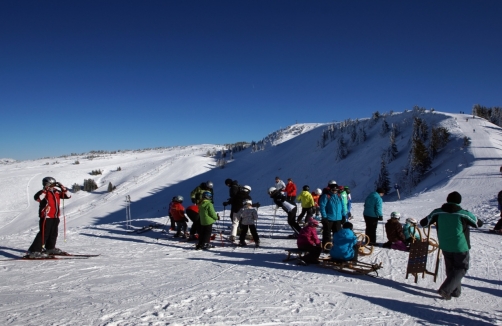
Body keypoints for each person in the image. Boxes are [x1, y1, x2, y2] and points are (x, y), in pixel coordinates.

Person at [420, 191, 483, 300]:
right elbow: (478, 223)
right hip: (460, 245)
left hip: (445, 245)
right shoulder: (463, 213)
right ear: (459, 201)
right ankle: (446, 289)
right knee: (462, 267)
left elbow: (423, 223)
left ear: (447, 200)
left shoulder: (437, 212)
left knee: (451, 268)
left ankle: (455, 292)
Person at [26, 177, 71, 258]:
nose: (54, 186)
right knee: (44, 233)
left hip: (55, 215)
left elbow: (68, 196)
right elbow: (38, 199)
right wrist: (45, 190)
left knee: (53, 233)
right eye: (52, 184)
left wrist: (62, 187)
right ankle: (34, 251)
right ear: (47, 184)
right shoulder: (42, 192)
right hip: (46, 216)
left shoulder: (56, 192)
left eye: (55, 184)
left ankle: (50, 248)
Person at [319, 180, 347, 251]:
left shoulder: (339, 196)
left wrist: (343, 215)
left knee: (337, 234)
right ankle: (327, 248)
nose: (334, 191)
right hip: (329, 218)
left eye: (336, 190)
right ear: (330, 189)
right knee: (327, 234)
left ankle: (336, 247)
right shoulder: (326, 196)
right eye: (333, 190)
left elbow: (343, 206)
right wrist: (324, 217)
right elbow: (322, 207)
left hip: (338, 218)